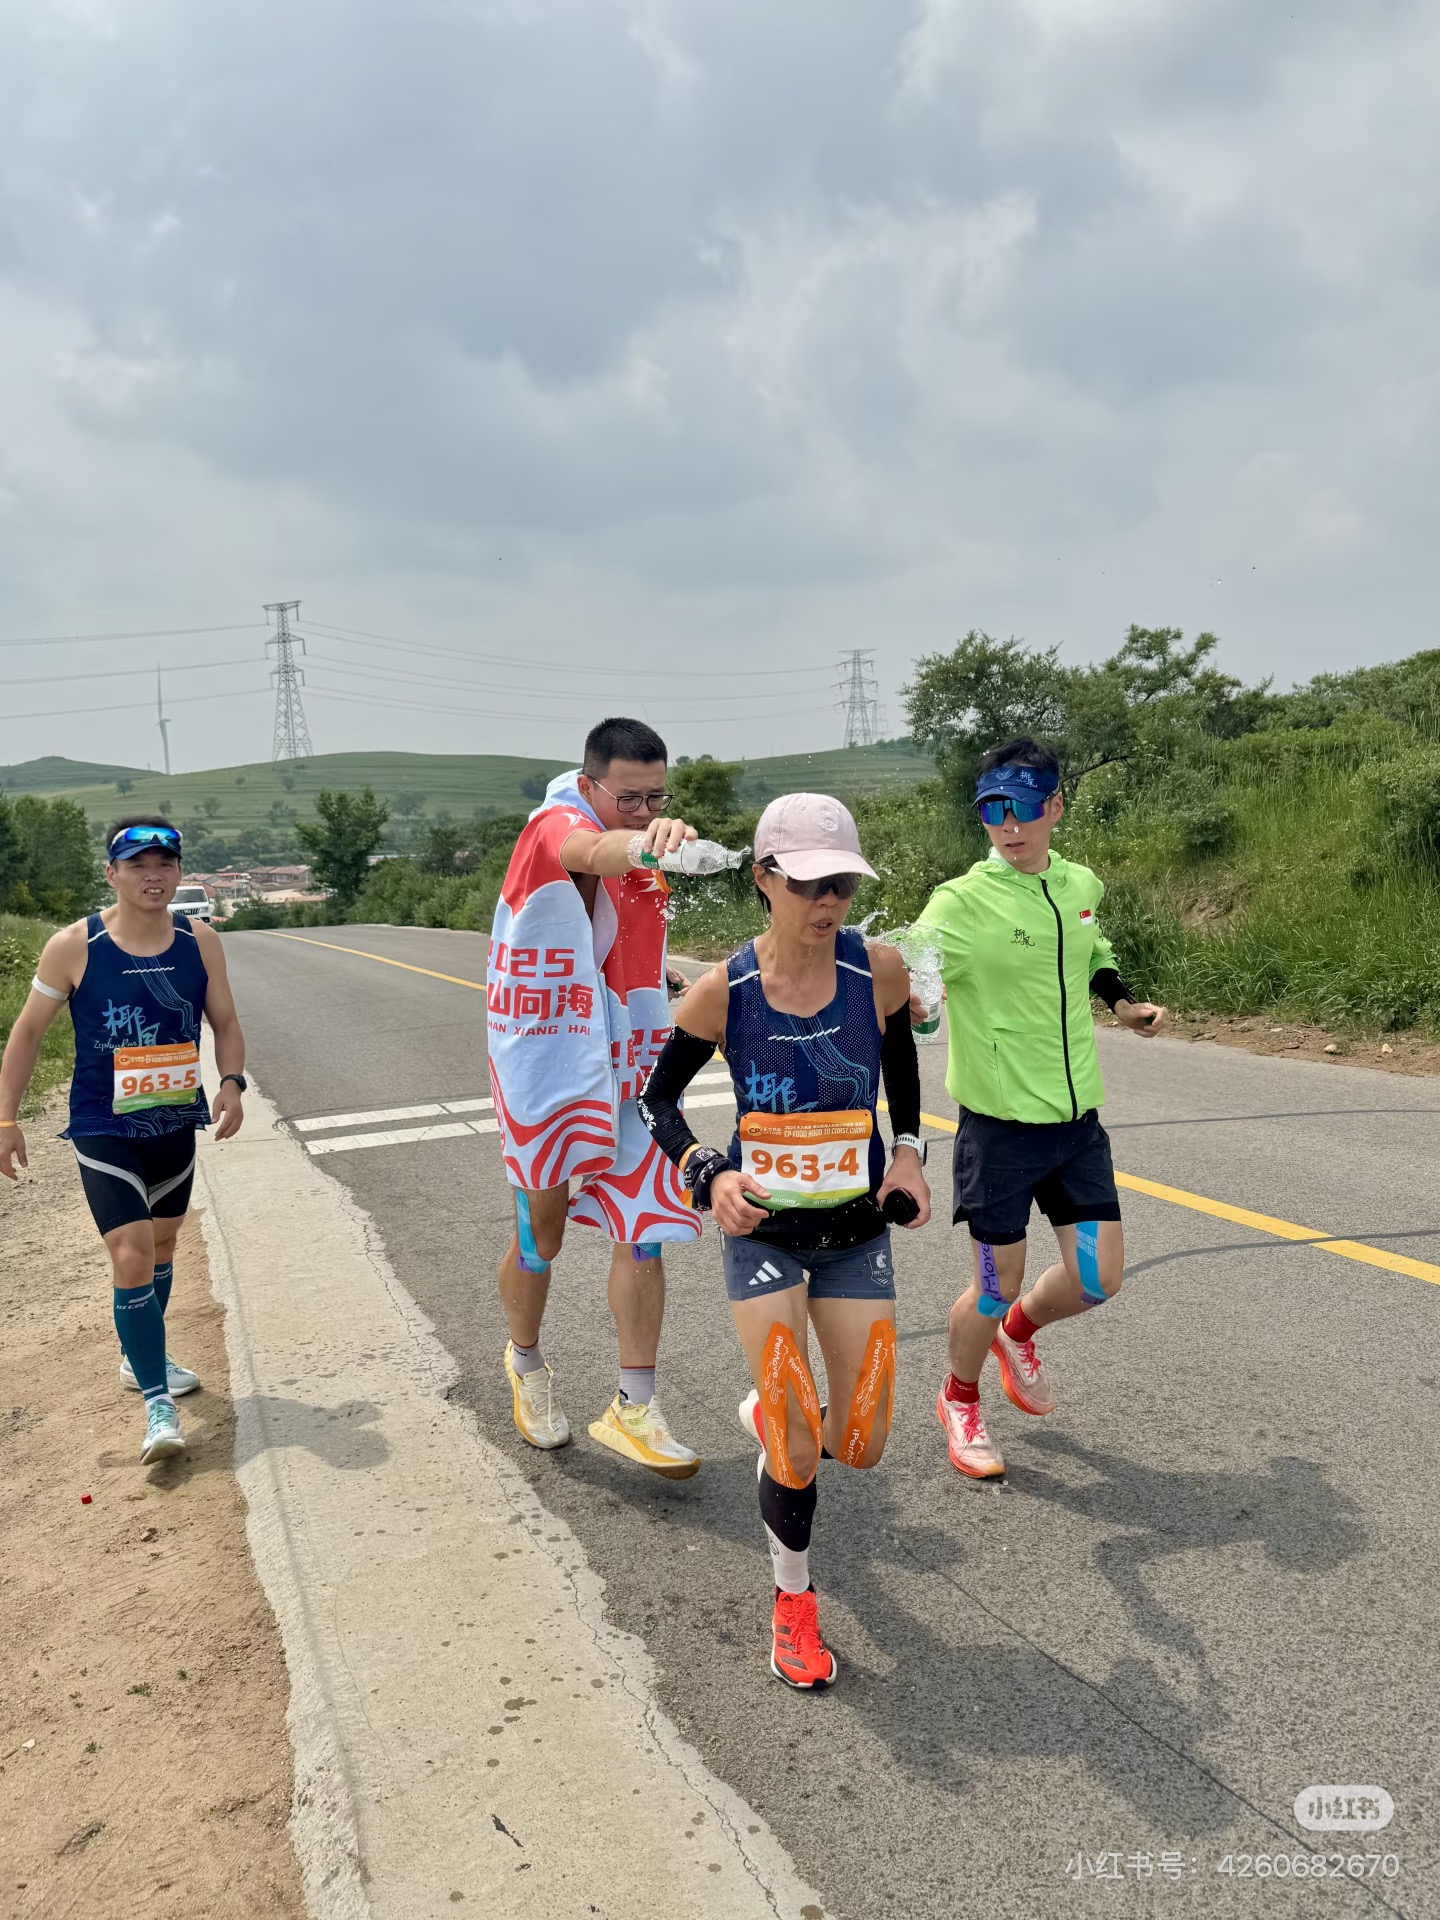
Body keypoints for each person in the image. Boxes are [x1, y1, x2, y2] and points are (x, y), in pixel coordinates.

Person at [637, 794, 930, 1688]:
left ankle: (774, 1419)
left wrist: (909, 1155)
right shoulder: (723, 992)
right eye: (806, 883)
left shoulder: (877, 970)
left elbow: (904, 1062)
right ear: (764, 879)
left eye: (840, 881)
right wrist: (710, 1174)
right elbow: (658, 1102)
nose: (826, 900)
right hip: (764, 1236)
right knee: (802, 1450)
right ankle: (793, 1602)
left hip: (853, 1233)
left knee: (866, 1440)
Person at [912, 739, 1166, 1480]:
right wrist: (919, 1003)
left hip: (1077, 1124)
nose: (1008, 825)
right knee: (994, 1286)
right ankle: (959, 1399)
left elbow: (1091, 947)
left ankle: (1016, 1334)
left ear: (1055, 806)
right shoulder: (959, 902)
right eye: (992, 810)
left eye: (1023, 808)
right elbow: (914, 973)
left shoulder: (1079, 882)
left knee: (1097, 1280)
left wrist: (1122, 1001)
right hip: (1000, 1131)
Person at [488, 717, 705, 1477]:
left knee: (644, 1224)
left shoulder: (640, 852)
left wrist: (665, 977)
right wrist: (643, 838)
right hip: (549, 1061)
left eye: (656, 797)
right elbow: (590, 852)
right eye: (628, 797)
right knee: (541, 1235)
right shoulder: (557, 824)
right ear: (589, 786)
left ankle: (634, 1405)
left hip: (635, 1057)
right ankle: (525, 1363)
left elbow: (625, 938)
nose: (642, 812)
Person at [0, 817, 247, 1465]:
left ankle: (144, 1355)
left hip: (172, 1124)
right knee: (132, 1252)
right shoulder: (74, 945)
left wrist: (231, 1081)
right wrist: (6, 1119)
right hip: (103, 1127)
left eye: (164, 863)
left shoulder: (200, 941)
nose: (152, 875)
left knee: (163, 1247)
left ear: (178, 871)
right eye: (137, 864)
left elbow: (224, 1020)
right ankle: (158, 1405)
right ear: (112, 873)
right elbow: (26, 1034)